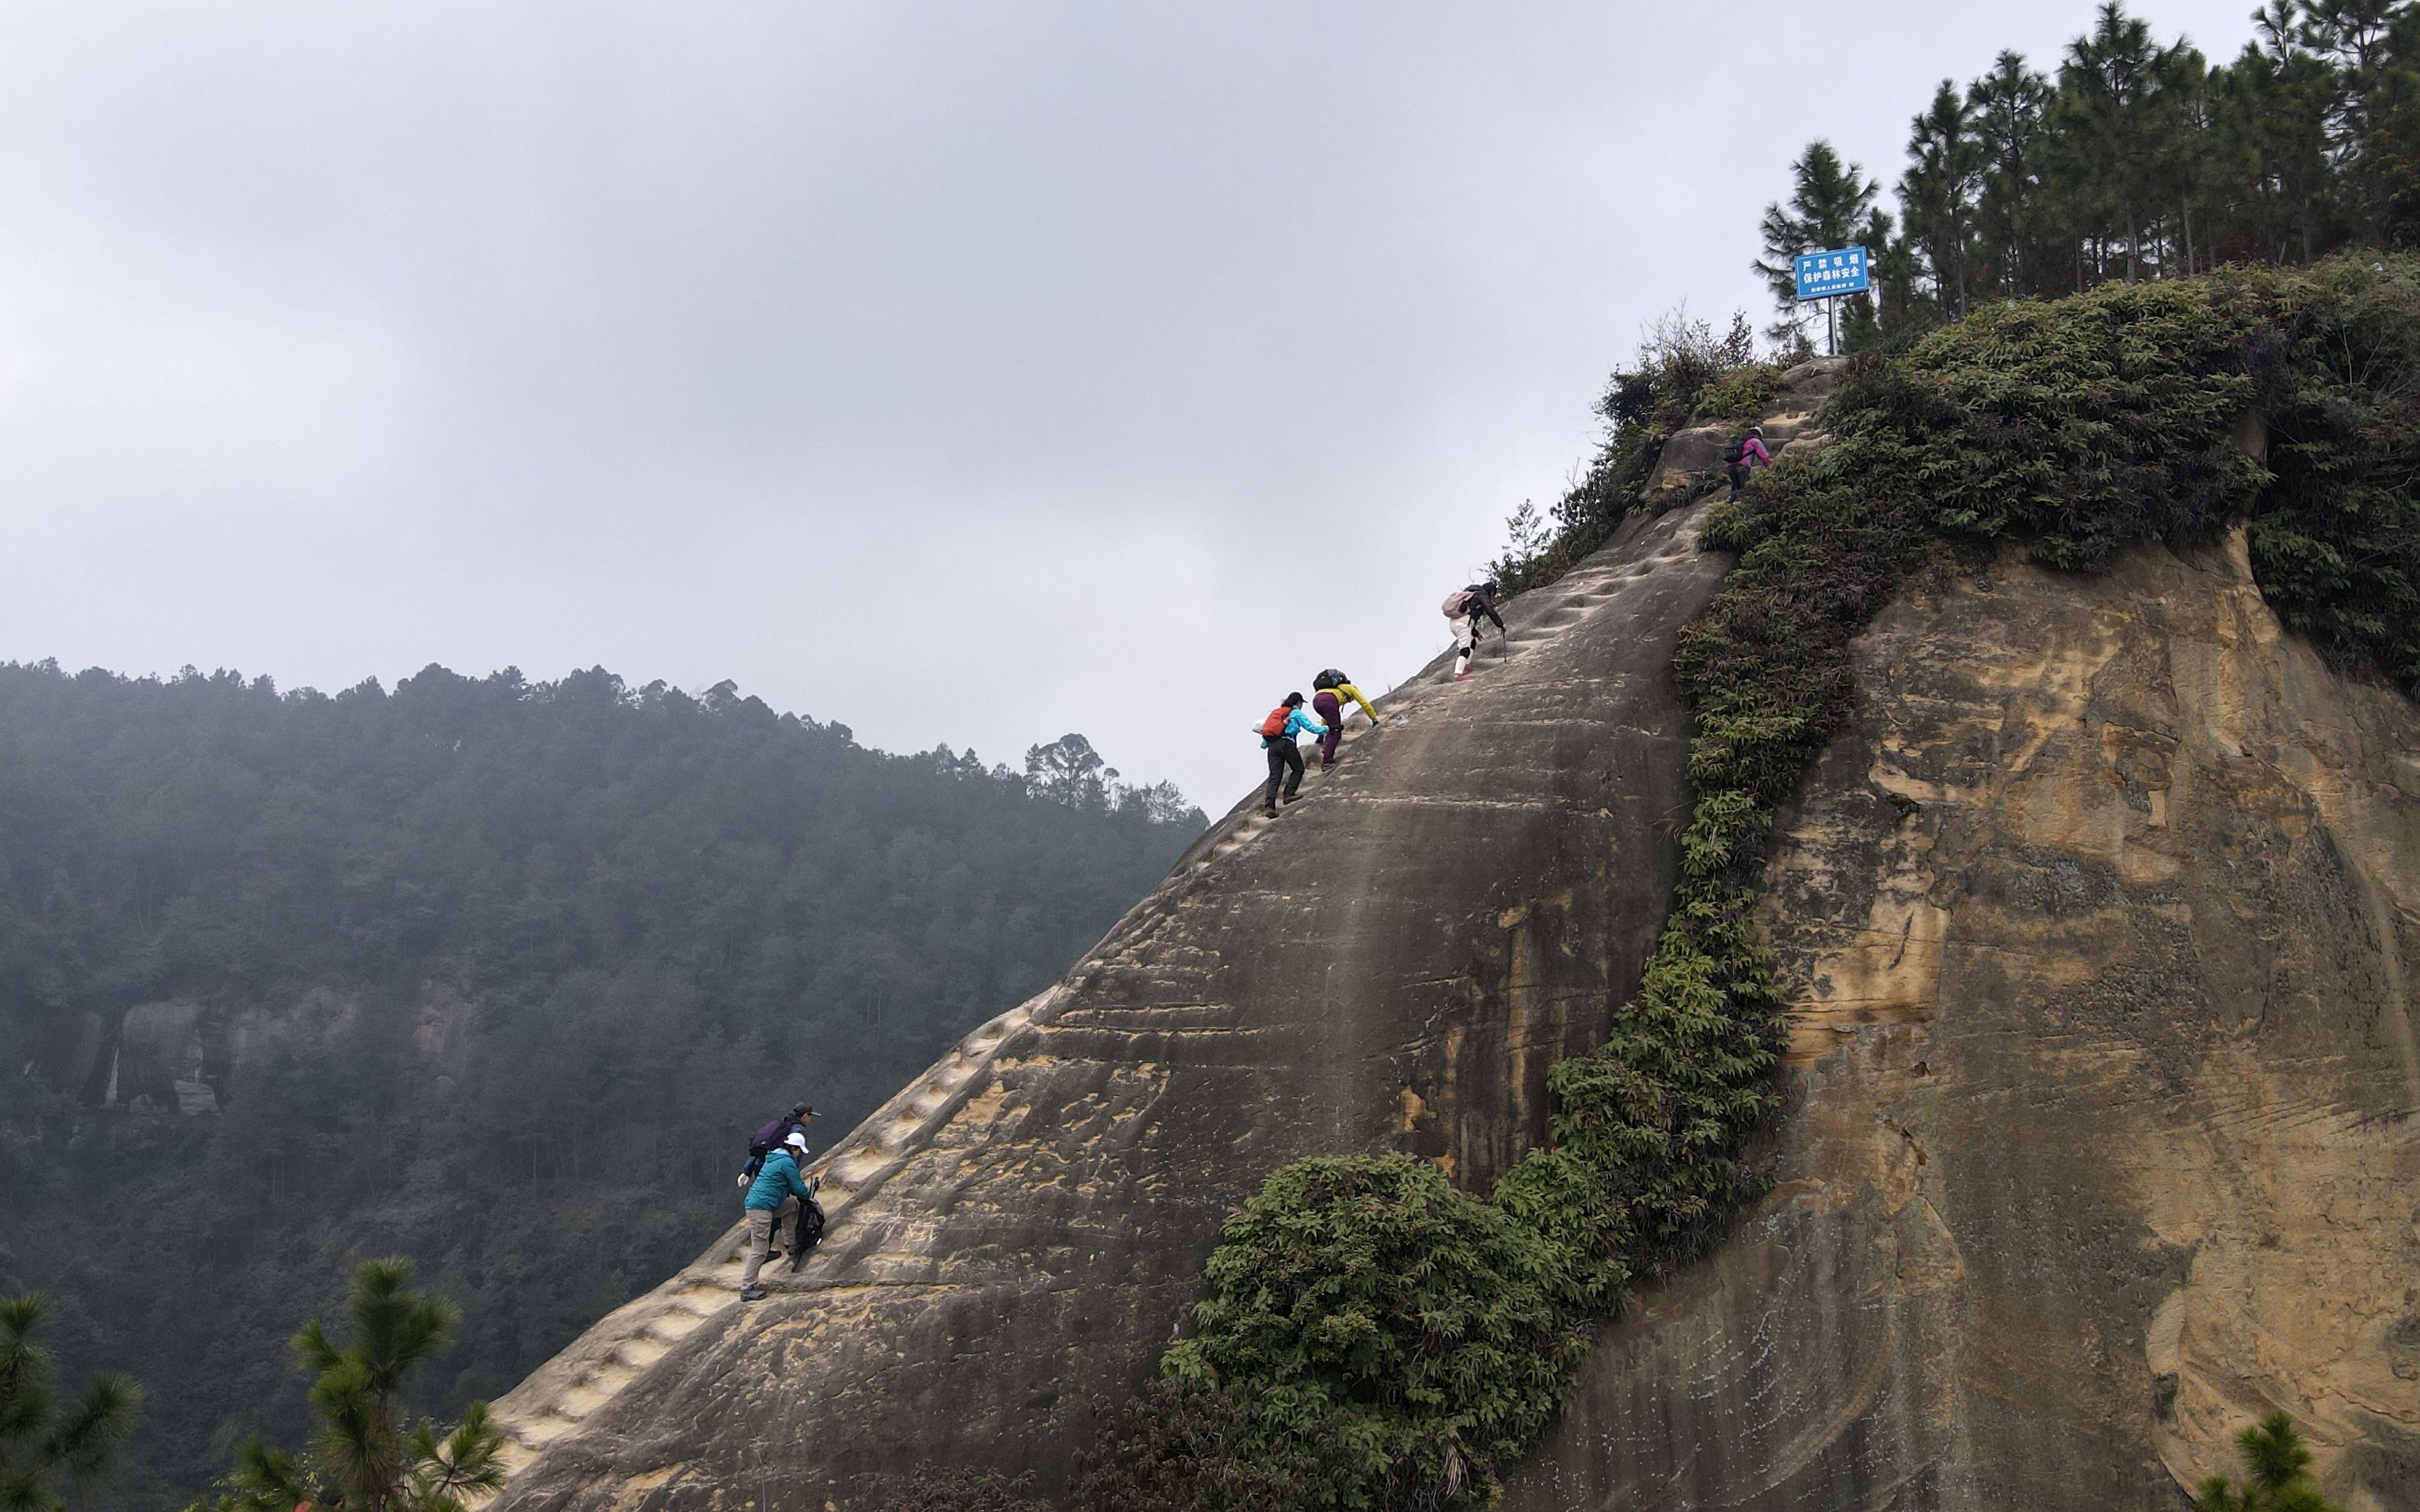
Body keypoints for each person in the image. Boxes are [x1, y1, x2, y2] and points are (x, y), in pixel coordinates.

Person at [739, 1130, 815, 1300]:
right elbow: (798, 1187)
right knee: (760, 1249)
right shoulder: (786, 1162)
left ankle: (791, 1244)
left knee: (791, 1206)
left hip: (765, 1203)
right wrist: (809, 1198)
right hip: (761, 1208)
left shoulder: (775, 1157)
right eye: (798, 1151)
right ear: (793, 1148)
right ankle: (747, 1288)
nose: (799, 1155)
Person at [1254, 693, 1326, 818]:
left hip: (1272, 746)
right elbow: (1312, 728)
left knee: (1275, 776)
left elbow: (1266, 740)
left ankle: (1269, 807)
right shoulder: (1295, 713)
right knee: (1298, 768)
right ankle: (1289, 794)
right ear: (1299, 703)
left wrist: (1269, 744)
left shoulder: (1277, 713)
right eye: (1302, 703)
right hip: (1287, 743)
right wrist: (1329, 729)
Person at [1309, 669, 1381, 767]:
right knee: (1336, 733)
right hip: (1329, 701)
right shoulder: (1351, 688)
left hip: (1316, 701)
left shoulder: (1333, 689)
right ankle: (1327, 761)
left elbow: (1326, 716)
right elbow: (1364, 703)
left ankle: (1327, 749)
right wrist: (1374, 719)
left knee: (1332, 728)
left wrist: (1321, 734)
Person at [1443, 581, 1504, 681]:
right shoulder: (1482, 595)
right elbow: (1489, 610)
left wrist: (1476, 633)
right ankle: (1458, 674)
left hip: (1455, 623)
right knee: (1465, 649)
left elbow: (1468, 615)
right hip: (1463, 625)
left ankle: (1466, 666)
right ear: (1491, 592)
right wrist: (1500, 625)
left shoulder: (1470, 594)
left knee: (1472, 641)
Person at [1723, 425, 1773, 501]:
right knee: (1745, 488)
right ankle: (1745, 507)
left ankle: (1730, 500)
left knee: (1737, 488)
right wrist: (1768, 465)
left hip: (1730, 467)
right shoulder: (1755, 441)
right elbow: (1764, 455)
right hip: (1742, 467)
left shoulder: (1740, 442)